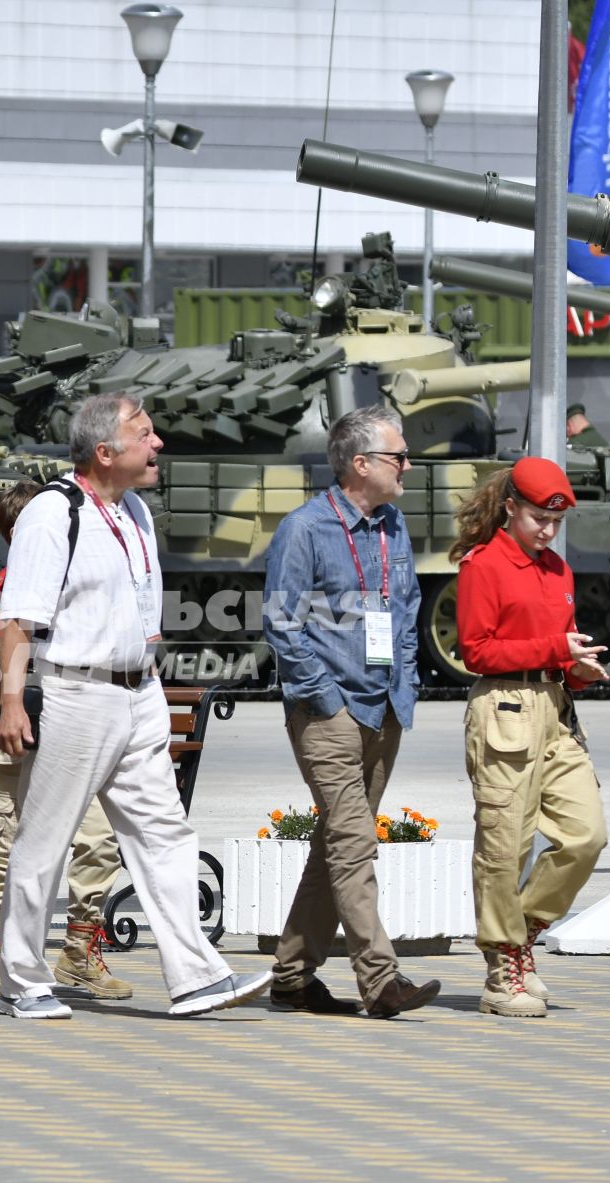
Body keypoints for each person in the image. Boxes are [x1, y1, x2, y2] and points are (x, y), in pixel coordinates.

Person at [0, 393, 270, 1020]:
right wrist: (13, 701)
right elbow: (17, 619)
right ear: (105, 451)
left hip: (138, 693)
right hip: (77, 692)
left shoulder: (135, 508)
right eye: (145, 435)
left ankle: (197, 977)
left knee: (164, 833)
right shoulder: (51, 513)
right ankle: (21, 981)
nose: (158, 444)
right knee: (45, 840)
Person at [260, 404, 441, 1020]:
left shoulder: (393, 525)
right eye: (399, 457)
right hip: (327, 710)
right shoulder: (305, 529)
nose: (408, 466)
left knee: (335, 844)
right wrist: (327, 697)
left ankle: (291, 975)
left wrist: (405, 684)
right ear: (361, 464)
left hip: (384, 705)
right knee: (355, 841)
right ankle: (381, 980)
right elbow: (283, 625)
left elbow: (408, 609)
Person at [451, 457, 610, 1018]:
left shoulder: (557, 571)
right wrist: (555, 653)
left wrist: (577, 672)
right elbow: (476, 652)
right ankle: (501, 971)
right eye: (539, 518)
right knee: (504, 848)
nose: (547, 531)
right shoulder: (484, 565)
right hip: (503, 710)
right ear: (511, 507)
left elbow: (560, 649)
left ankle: (521, 937)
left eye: (556, 523)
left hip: (555, 710)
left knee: (586, 835)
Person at [0, 481, 130, 1001]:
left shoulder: (81, 589)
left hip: (74, 735)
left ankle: (80, 951)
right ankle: (2, 956)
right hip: (11, 742)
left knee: (99, 840)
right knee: (6, 851)